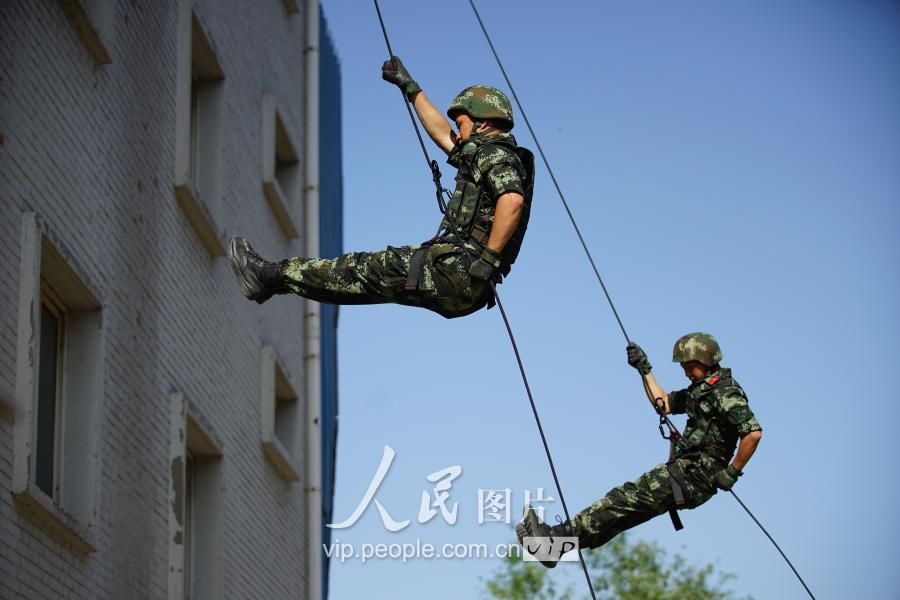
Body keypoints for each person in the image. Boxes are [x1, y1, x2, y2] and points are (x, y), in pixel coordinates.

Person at [227, 57, 534, 319]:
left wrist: (488, 260)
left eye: (463, 124)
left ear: (481, 125)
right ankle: (273, 279)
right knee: (364, 282)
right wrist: (410, 88)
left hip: (459, 270)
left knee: (361, 270)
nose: (458, 132)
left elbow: (512, 201)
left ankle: (270, 275)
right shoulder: (480, 153)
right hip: (464, 281)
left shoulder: (495, 155)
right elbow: (442, 133)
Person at [516, 332, 763, 567]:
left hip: (695, 476)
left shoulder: (726, 393)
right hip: (686, 474)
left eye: (689, 364)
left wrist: (732, 473)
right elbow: (663, 403)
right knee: (621, 516)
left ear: (707, 361)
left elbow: (752, 433)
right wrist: (645, 370)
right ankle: (555, 547)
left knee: (621, 500)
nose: (685, 369)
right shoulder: (699, 392)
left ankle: (554, 539)